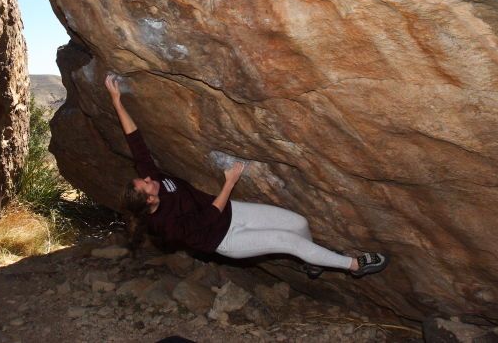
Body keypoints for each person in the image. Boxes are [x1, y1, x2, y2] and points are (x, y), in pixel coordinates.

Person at [106, 74, 388, 277]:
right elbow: (207, 220)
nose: (146, 178)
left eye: (142, 179)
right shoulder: (166, 226)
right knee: (289, 243)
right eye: (145, 184)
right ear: (150, 200)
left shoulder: (150, 179)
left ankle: (312, 260)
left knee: (299, 223)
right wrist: (229, 183)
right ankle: (354, 265)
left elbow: (136, 143)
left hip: (233, 212)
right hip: (225, 240)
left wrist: (117, 101)